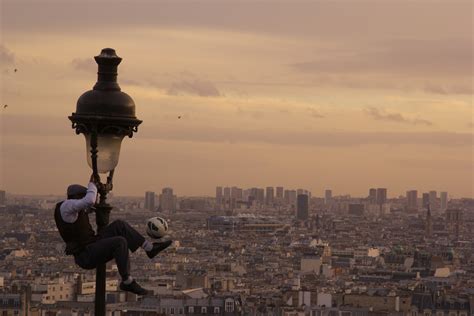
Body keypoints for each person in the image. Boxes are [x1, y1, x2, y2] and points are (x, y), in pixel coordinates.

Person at [54, 175, 172, 295]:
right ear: (78, 197)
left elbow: (87, 206)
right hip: (85, 254)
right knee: (119, 242)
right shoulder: (67, 206)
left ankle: (150, 248)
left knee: (119, 225)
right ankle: (127, 281)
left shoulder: (71, 209)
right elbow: (89, 201)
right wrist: (92, 184)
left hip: (91, 244)